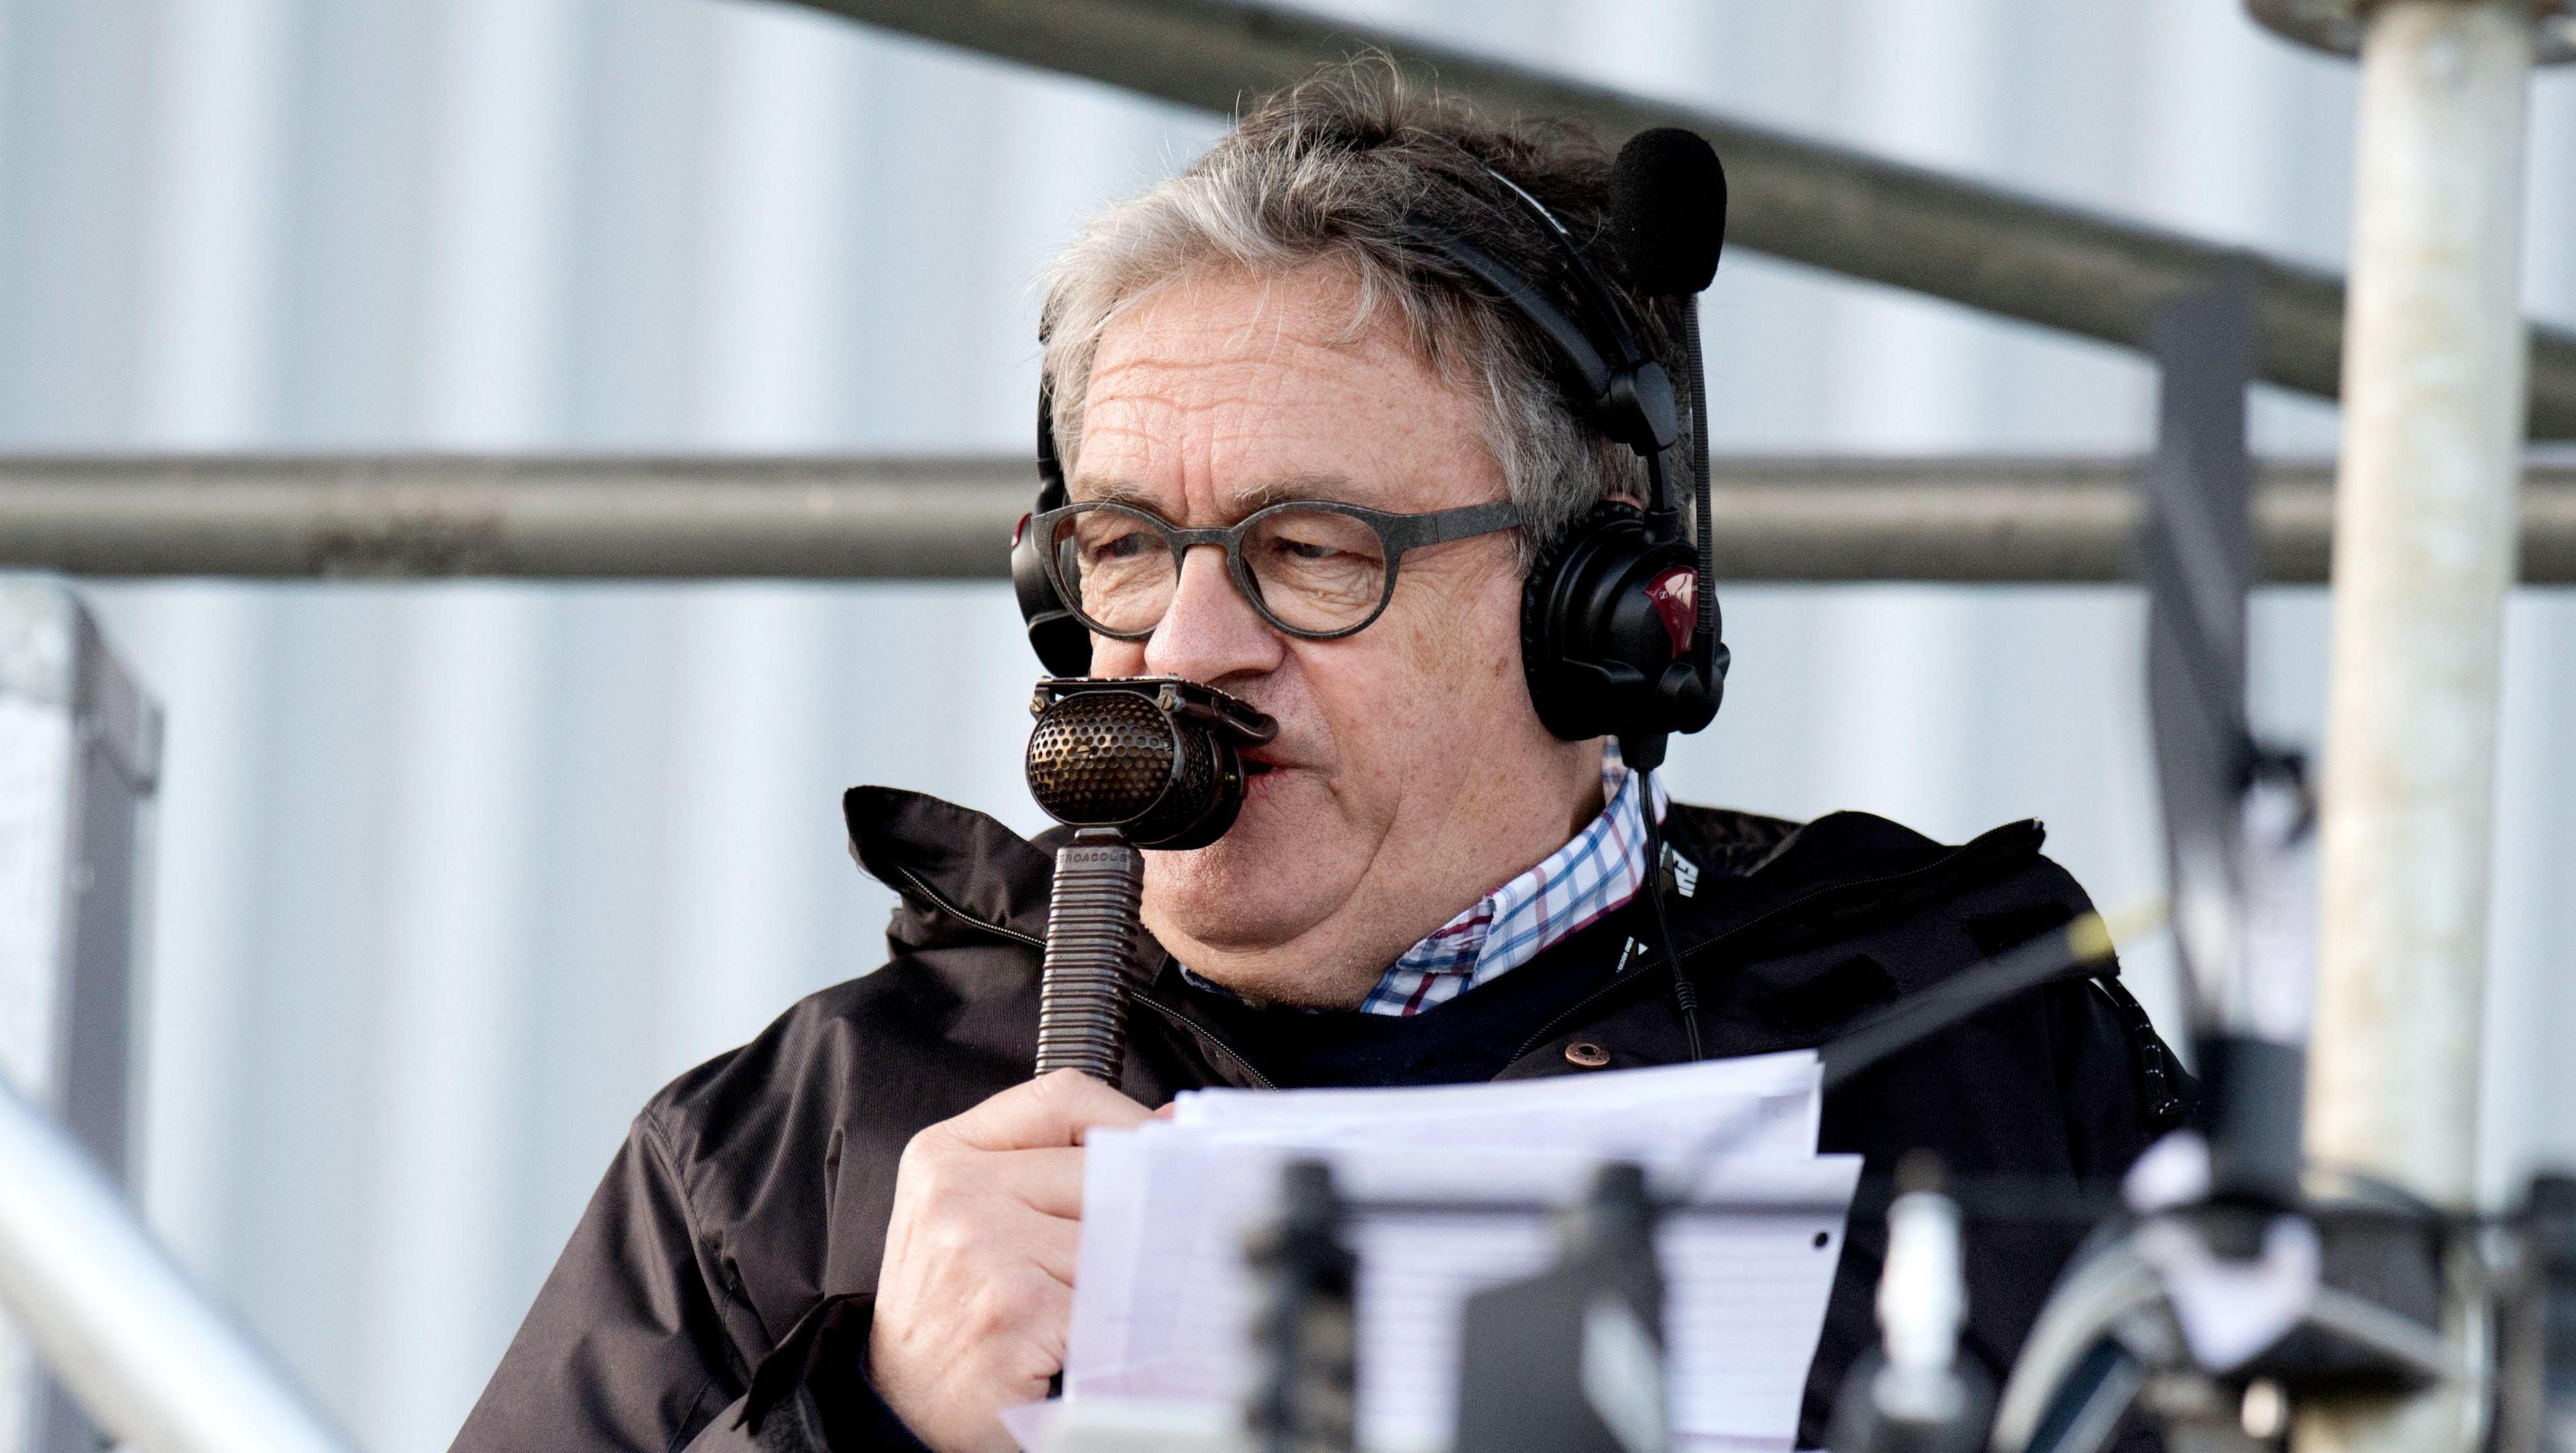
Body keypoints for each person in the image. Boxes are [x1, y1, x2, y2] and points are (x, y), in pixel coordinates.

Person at [451, 61, 2187, 1453]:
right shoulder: (793, 1152)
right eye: (1129, 548)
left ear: (1593, 603)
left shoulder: (1990, 1071)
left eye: (1309, 553)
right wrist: (866, 1421)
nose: (1190, 648)